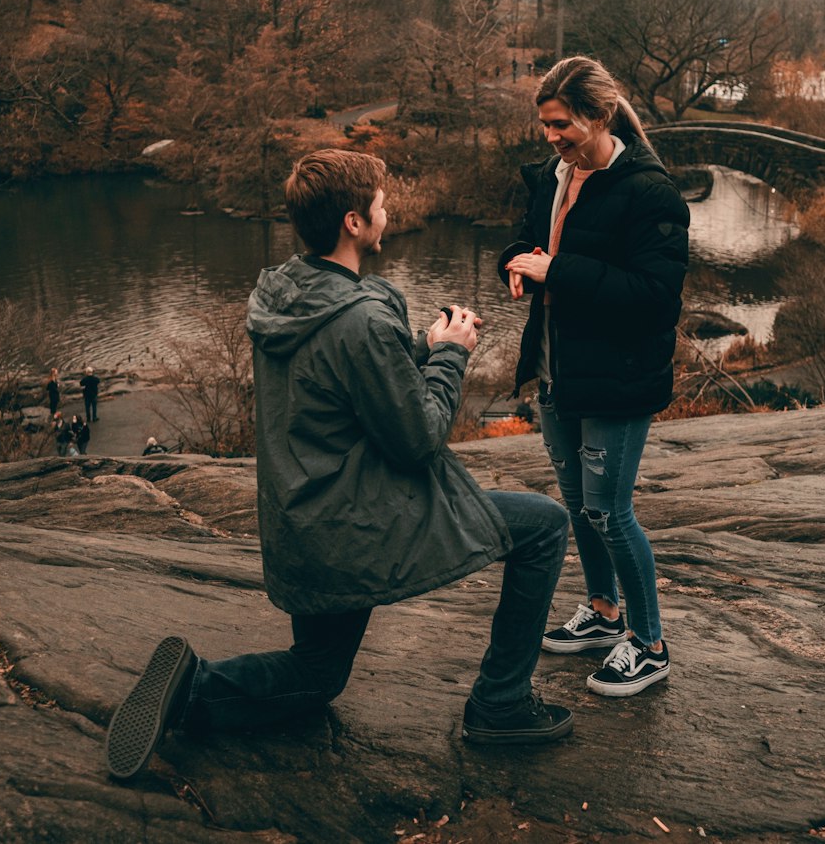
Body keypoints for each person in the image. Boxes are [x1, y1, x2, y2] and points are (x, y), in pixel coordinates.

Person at [105, 148, 572, 782]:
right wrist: (452, 357)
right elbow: (420, 438)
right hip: (358, 521)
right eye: (381, 203)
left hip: (304, 520)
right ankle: (501, 704)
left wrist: (420, 344)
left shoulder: (282, 292)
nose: (389, 211)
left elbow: (341, 375)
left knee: (317, 676)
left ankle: (194, 688)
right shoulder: (358, 319)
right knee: (543, 525)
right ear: (354, 222)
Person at [499, 55, 689, 698]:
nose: (551, 137)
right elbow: (527, 239)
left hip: (619, 374)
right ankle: (604, 612)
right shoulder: (554, 175)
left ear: (600, 116)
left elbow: (658, 296)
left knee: (611, 511)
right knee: (578, 503)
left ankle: (650, 643)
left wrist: (560, 272)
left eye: (561, 125)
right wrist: (516, 264)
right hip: (559, 367)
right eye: (545, 125)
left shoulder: (649, 191)